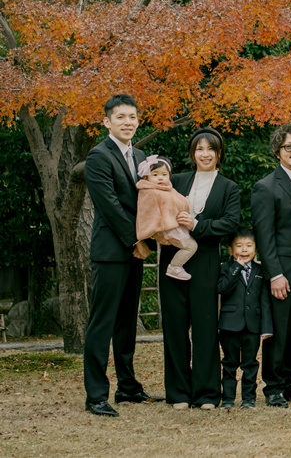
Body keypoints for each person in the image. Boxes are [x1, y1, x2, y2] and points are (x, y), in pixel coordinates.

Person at [83, 94, 163, 417]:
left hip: (137, 249)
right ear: (107, 122)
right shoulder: (98, 157)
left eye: (132, 116)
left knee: (127, 323)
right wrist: (135, 241)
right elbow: (110, 207)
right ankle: (96, 395)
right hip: (112, 251)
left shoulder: (141, 155)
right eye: (120, 117)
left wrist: (151, 238)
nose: (127, 122)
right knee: (102, 323)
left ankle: (127, 387)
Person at [164, 127, 241, 410]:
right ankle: (179, 393)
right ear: (192, 153)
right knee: (174, 325)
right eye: (199, 149)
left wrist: (198, 225)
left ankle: (207, 393)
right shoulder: (176, 181)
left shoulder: (228, 187)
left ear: (219, 153)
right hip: (173, 259)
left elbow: (230, 223)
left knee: (206, 326)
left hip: (207, 259)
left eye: (210, 149)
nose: (204, 154)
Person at [252, 122, 291, 408]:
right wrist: (275, 274)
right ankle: (274, 387)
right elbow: (264, 236)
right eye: (288, 147)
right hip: (283, 271)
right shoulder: (265, 187)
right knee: (279, 330)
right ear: (278, 151)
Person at [218, 230, 272, 409]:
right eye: (239, 246)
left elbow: (264, 301)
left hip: (252, 325)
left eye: (249, 246)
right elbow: (223, 289)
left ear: (256, 250)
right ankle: (228, 398)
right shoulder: (225, 268)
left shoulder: (260, 271)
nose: (244, 250)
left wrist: (266, 327)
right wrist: (236, 268)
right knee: (229, 363)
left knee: (250, 364)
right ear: (230, 250)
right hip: (230, 325)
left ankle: (249, 399)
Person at [134, 156, 197, 281]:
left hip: (173, 226)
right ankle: (175, 267)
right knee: (191, 246)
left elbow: (179, 201)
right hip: (167, 229)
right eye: (155, 174)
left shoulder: (167, 189)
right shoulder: (149, 192)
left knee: (191, 245)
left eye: (164, 174)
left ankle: (175, 266)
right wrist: (157, 232)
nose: (160, 178)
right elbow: (146, 214)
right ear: (146, 177)